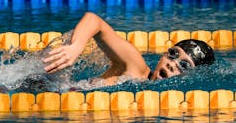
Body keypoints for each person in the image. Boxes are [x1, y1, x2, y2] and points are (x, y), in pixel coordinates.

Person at [43, 12, 214, 84]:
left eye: (184, 65)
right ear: (163, 54)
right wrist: (75, 47)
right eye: (173, 54)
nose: (172, 63)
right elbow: (94, 20)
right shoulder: (135, 66)